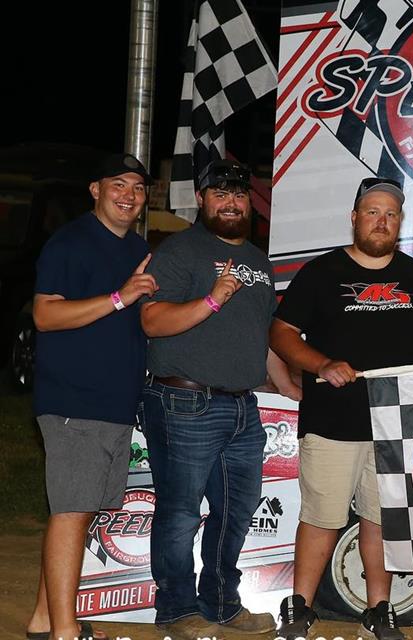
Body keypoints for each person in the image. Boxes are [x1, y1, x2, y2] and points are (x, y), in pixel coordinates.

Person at [270, 177, 413, 640]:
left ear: (400, 222)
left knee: (381, 519)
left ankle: (379, 610)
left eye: (391, 214)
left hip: (395, 424)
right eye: (372, 212)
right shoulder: (321, 273)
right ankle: (299, 608)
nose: (382, 221)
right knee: (321, 517)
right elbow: (281, 334)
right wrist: (321, 364)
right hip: (332, 422)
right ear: (354, 218)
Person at [140, 159, 294, 640]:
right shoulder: (180, 251)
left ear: (250, 202)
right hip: (183, 402)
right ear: (202, 200)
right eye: (220, 194)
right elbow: (151, 321)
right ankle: (176, 610)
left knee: (236, 511)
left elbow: (262, 337)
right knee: (181, 513)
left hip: (243, 408)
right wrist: (212, 299)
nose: (231, 203)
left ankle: (223, 603)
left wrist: (290, 389)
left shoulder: (257, 258)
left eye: (239, 195)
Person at [25, 153, 155, 640]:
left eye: (138, 187)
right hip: (72, 403)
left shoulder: (137, 248)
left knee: (78, 510)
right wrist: (120, 297)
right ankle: (64, 630)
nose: (129, 194)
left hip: (114, 404)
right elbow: (45, 315)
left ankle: (44, 618)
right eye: (117, 184)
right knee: (72, 511)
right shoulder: (71, 242)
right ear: (95, 190)